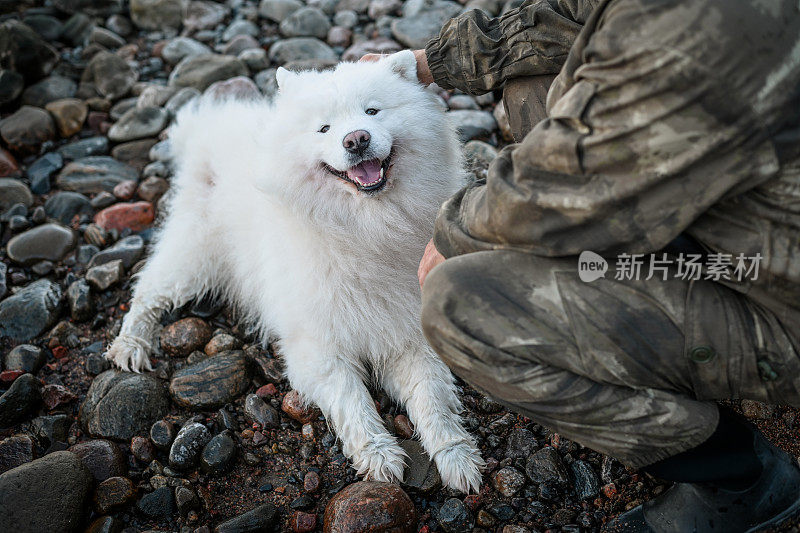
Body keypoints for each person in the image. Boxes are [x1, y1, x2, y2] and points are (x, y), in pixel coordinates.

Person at [364, 0, 800, 530]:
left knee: (463, 305)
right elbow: (560, 13)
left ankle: (741, 479)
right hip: (746, 189)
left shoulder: (704, 21)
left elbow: (569, 183)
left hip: (773, 288)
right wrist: (425, 62)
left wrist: (456, 231)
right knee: (532, 74)